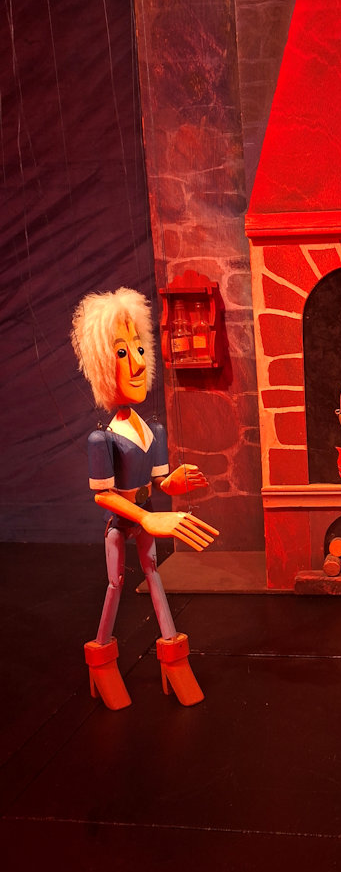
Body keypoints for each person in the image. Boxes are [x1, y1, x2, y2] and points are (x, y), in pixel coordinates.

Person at [71, 288, 219, 710]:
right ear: (103, 365)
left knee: (153, 574)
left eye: (138, 348)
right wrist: (145, 517)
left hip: (145, 517)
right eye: (122, 353)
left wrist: (174, 483)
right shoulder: (102, 439)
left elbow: (158, 482)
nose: (136, 362)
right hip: (123, 524)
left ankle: (173, 656)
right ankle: (101, 659)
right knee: (116, 583)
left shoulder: (153, 430)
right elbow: (103, 496)